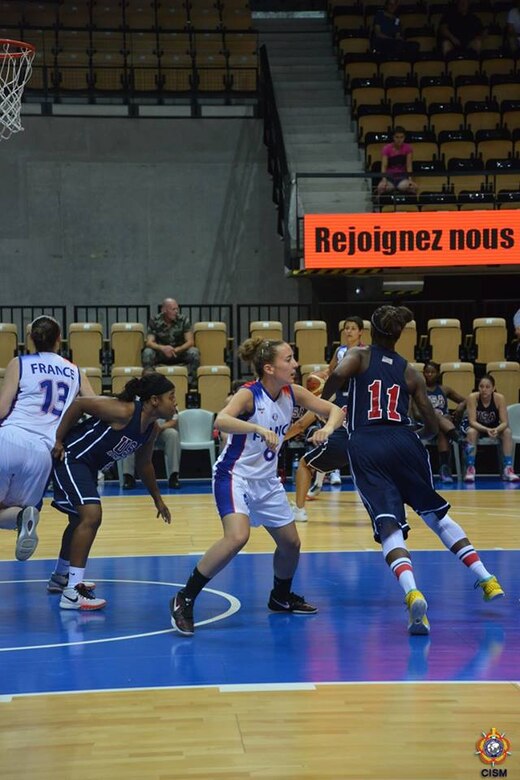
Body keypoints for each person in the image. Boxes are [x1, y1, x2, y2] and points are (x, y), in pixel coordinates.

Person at [321, 304, 504, 636]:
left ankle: (412, 592)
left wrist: (324, 396)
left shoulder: (359, 356)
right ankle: (486, 578)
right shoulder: (410, 372)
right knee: (437, 515)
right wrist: (419, 434)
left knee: (388, 525)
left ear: (372, 332)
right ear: (398, 336)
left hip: (367, 443)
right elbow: (432, 424)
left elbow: (335, 377)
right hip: (406, 442)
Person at [170, 337, 345, 636]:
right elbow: (221, 420)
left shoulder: (292, 392)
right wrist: (256, 428)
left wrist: (327, 429)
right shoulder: (249, 394)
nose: (295, 364)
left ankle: (280, 596)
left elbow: (335, 411)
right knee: (237, 537)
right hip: (234, 475)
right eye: (288, 359)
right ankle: (185, 597)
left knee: (291, 544)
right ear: (269, 368)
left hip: (266, 481)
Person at [49, 372, 176, 610]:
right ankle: (72, 592)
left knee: (78, 520)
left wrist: (158, 500)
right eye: (171, 397)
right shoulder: (124, 411)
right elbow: (79, 404)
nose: (175, 403)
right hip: (72, 457)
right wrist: (57, 439)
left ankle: (61, 577)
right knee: (91, 516)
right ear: (154, 400)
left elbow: (144, 465)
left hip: (87, 466)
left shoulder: (151, 429)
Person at [0, 316, 94, 561]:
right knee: (18, 511)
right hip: (44, 453)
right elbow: (95, 406)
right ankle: (22, 517)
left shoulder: (19, 363)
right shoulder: (75, 371)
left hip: (9, 438)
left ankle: (20, 518)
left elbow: (2, 409)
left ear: (30, 339)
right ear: (59, 339)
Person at [287, 316, 364, 516]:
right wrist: (319, 375)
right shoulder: (340, 352)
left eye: (353, 328)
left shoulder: (363, 353)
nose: (349, 331)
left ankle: (301, 508)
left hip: (344, 439)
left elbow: (301, 424)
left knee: (309, 458)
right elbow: (329, 371)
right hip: (365, 438)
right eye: (346, 328)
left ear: (360, 332)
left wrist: (279, 438)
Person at [119, 368, 181, 490]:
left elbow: (173, 421)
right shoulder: (133, 399)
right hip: (140, 431)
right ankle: (128, 477)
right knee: (128, 437)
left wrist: (159, 428)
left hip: (160, 431)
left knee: (173, 434)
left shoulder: (167, 397)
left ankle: (174, 476)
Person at [414, 361, 466, 483]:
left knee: (442, 430)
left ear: (438, 374)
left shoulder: (444, 389)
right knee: (438, 417)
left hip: (442, 426)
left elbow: (466, 400)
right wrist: (431, 415)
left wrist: (461, 406)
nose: (429, 374)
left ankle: (444, 469)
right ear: (423, 373)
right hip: (425, 424)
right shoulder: (419, 389)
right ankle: (460, 440)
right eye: (427, 372)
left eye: (432, 372)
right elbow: (416, 413)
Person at [463, 373, 519, 483]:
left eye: (487, 387)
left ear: (493, 388)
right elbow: (472, 422)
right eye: (481, 386)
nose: (484, 389)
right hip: (478, 427)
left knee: (507, 432)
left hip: (494, 427)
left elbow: (504, 422)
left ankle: (508, 468)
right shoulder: (473, 397)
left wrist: (497, 429)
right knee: (471, 432)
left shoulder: (499, 398)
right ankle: (470, 468)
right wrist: (486, 429)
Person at [142, 298, 200, 386]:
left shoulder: (183, 319)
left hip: (179, 353)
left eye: (177, 309)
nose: (176, 311)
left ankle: (191, 384)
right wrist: (163, 348)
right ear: (164, 310)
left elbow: (190, 342)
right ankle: (150, 383)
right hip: (162, 353)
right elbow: (149, 342)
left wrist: (176, 350)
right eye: (173, 309)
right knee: (147, 352)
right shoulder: (155, 320)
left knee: (194, 352)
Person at [377, 127, 418, 197]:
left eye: (401, 137)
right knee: (381, 188)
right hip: (389, 178)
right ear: (393, 137)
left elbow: (409, 165)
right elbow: (384, 166)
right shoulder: (386, 148)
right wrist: (384, 180)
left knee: (413, 187)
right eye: (397, 137)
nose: (399, 140)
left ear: (404, 137)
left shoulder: (408, 148)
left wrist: (410, 180)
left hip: (402, 178)